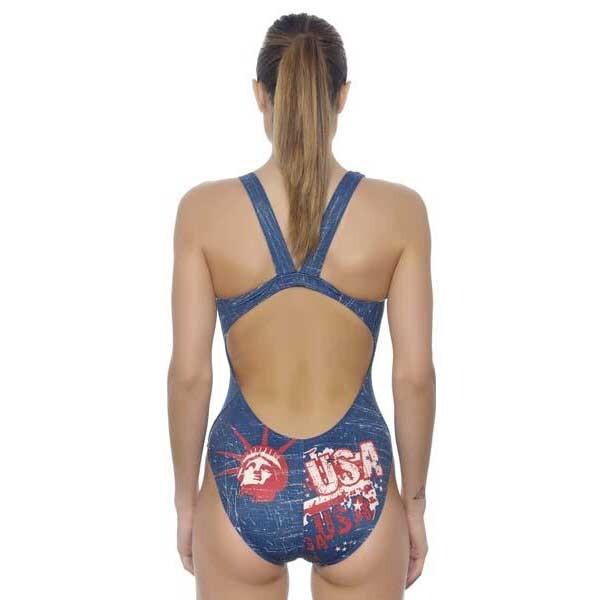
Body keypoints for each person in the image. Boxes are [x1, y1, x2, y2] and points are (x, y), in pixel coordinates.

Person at [168, 12, 435, 600]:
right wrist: (413, 505)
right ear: (341, 96)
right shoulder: (400, 213)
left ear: (261, 95)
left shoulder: (203, 213)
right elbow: (414, 377)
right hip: (357, 483)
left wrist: (187, 502)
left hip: (242, 481)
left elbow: (189, 375)